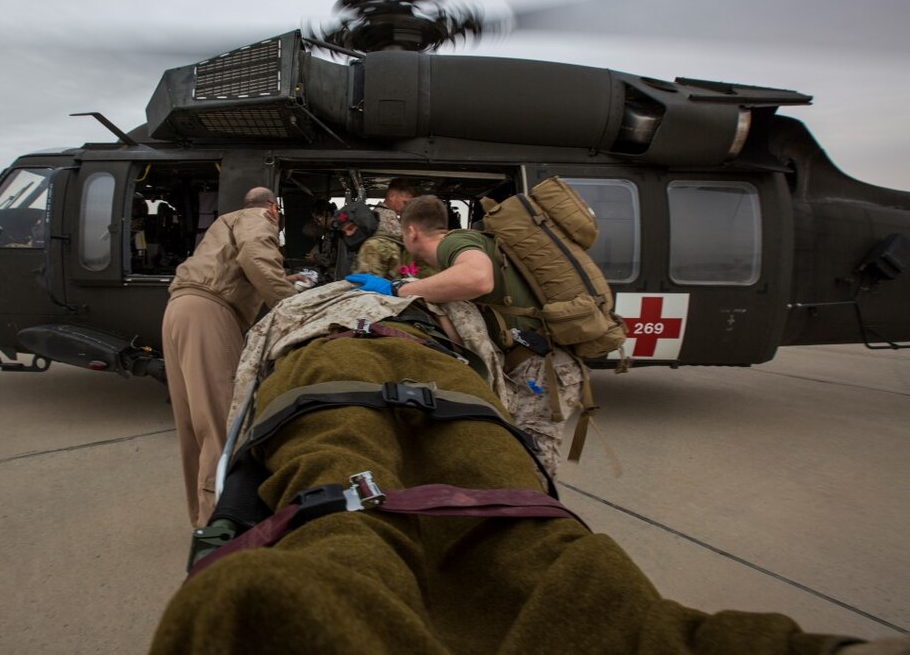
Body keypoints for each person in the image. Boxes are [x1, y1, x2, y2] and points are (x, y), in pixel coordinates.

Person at [150, 285, 892, 653]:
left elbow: (255, 373)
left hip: (328, 358)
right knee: (520, 528)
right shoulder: (434, 306)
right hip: (446, 375)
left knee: (336, 497)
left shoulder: (315, 301)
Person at [386, 194, 587, 479]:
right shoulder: (455, 253)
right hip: (532, 366)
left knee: (530, 466)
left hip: (544, 369)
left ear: (412, 231)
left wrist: (399, 290)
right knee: (509, 453)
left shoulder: (453, 244)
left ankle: (534, 521)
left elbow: (478, 279)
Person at [161, 186, 300, 528]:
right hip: (210, 312)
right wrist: (294, 308)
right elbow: (255, 255)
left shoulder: (227, 220)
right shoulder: (259, 218)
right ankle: (221, 529)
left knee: (196, 427)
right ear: (273, 208)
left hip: (181, 309)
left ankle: (201, 519)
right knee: (224, 426)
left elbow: (238, 265)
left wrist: (283, 279)